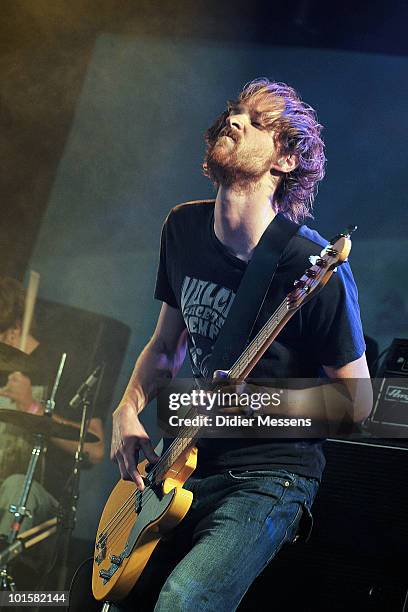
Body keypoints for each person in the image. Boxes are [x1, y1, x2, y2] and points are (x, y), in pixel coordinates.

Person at [109, 78, 372, 611]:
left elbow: (359, 404)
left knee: (185, 601)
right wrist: (127, 409)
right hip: (180, 464)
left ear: (287, 160)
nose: (235, 121)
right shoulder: (182, 228)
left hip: (269, 475)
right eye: (235, 111)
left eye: (258, 120)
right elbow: (165, 346)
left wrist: (251, 405)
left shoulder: (311, 268)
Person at [0, 276, 105, 586]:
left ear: (14, 328)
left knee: (18, 486)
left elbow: (96, 448)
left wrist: (32, 406)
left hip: (40, 499)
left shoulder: (62, 367)